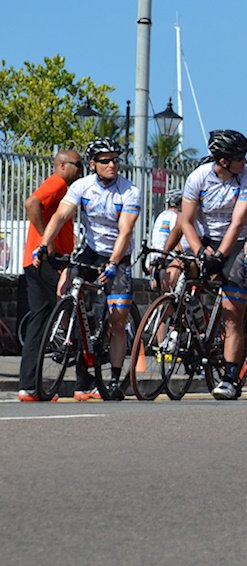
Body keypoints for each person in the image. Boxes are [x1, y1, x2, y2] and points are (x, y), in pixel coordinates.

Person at [34, 137, 141, 401]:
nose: (112, 165)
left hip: (118, 254)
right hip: (91, 250)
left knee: (118, 319)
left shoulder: (129, 191)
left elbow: (125, 231)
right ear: (93, 164)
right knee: (65, 286)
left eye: (115, 160)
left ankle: (114, 378)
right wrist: (44, 244)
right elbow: (60, 215)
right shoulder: (82, 186)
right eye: (105, 161)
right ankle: (67, 332)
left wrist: (114, 263)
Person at [175, 129, 247, 400]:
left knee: (233, 314)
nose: (245, 162)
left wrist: (220, 256)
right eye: (240, 158)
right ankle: (194, 333)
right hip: (206, 239)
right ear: (224, 161)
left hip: (236, 242)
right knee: (179, 278)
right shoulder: (198, 178)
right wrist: (200, 251)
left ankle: (230, 377)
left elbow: (238, 222)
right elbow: (186, 221)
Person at [18, 148, 80, 401]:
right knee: (72, 307)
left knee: (40, 320)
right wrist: (47, 239)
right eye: (77, 165)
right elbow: (31, 203)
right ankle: (84, 380)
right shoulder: (58, 183)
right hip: (45, 260)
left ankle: (29, 387)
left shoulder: (64, 189)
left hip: (34, 261)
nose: (81, 170)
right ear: (63, 165)